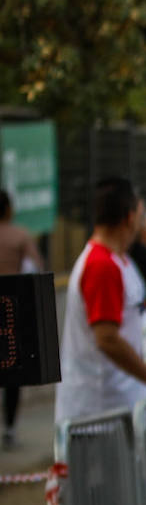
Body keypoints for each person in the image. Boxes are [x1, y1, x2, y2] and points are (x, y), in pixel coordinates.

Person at [55, 176, 146, 423]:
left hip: (118, 407)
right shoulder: (101, 265)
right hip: (100, 413)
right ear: (130, 218)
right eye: (141, 215)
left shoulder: (120, 260)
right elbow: (107, 338)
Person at [0, 187, 43, 448]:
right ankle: (10, 427)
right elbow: (37, 267)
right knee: (11, 374)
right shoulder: (20, 236)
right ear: (9, 209)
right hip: (8, 313)